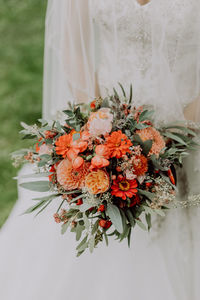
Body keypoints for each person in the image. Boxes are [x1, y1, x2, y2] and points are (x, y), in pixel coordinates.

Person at [1, 1, 200, 299]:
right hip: (105, 129)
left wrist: (176, 136)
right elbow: (74, 46)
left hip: (186, 133)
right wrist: (98, 129)